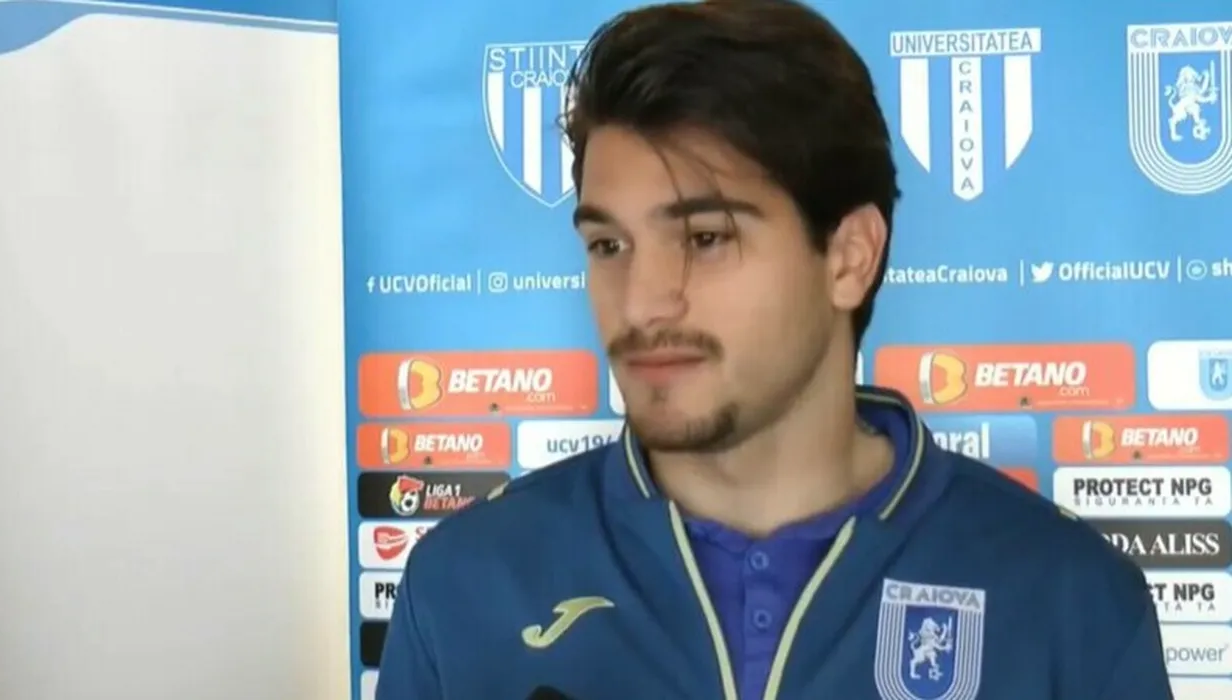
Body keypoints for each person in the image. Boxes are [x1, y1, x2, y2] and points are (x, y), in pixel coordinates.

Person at [374, 1, 1172, 698]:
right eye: (609, 245)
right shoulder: (466, 585)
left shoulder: (1069, 601)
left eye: (706, 237)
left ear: (850, 257)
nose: (642, 301)